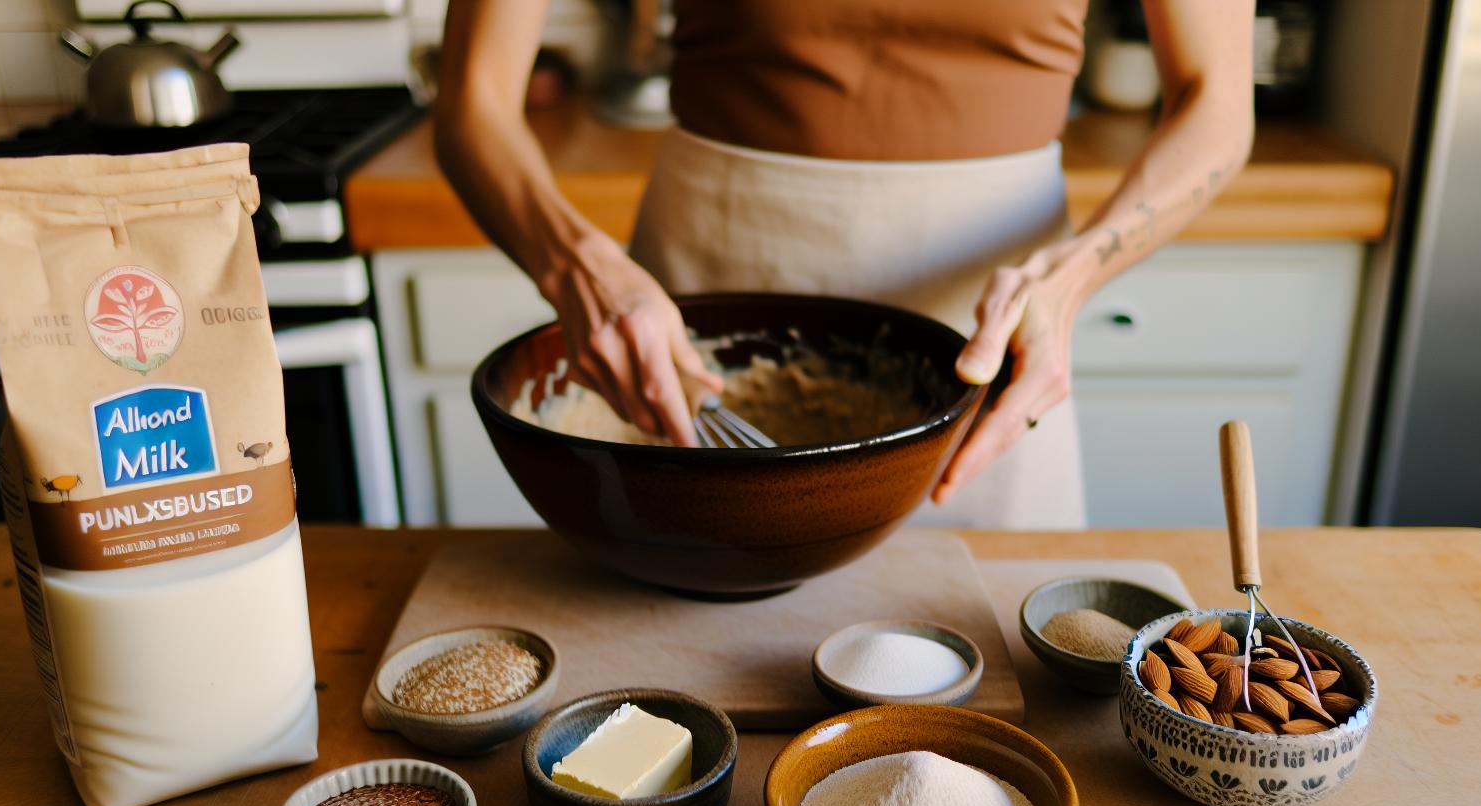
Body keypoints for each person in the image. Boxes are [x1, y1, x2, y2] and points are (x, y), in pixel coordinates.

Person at [435, 0, 1254, 528]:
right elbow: (474, 101)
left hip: (990, 335)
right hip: (700, 311)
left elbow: (1217, 102)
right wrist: (581, 266)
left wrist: (1072, 277)